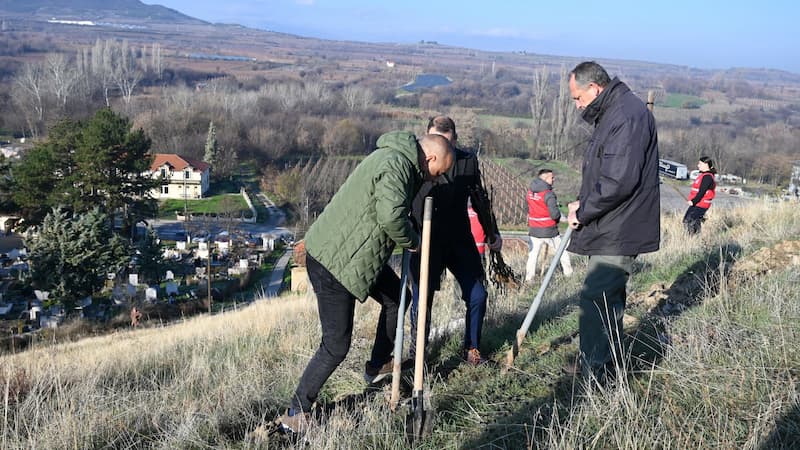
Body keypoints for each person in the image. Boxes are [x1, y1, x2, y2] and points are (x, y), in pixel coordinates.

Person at [277, 131, 454, 434]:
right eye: (439, 173)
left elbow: (385, 206)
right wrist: (413, 241)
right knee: (335, 345)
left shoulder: (399, 161)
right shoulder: (397, 164)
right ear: (432, 158)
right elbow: (389, 216)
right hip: (336, 261)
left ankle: (376, 365)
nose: (437, 180)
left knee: (398, 300)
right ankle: (296, 412)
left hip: (356, 255)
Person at [565, 61, 660, 384]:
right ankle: (607, 365)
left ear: (595, 88)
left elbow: (619, 180)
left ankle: (599, 373)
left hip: (620, 225)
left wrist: (585, 209)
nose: (577, 105)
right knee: (607, 299)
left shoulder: (625, 116)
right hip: (612, 221)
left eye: (578, 97)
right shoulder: (616, 112)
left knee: (597, 297)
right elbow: (608, 174)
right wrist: (584, 202)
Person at [409, 116, 502, 367]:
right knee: (421, 298)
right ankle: (417, 354)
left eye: (446, 143)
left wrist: (492, 233)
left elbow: (479, 197)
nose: (440, 148)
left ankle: (472, 348)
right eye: (434, 140)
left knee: (478, 295)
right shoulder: (413, 161)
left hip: (459, 239)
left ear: (455, 140)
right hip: (424, 241)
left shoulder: (467, 161)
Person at [524, 169, 573, 282]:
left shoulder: (530, 192)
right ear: (545, 178)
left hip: (534, 229)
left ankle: (529, 278)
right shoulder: (548, 194)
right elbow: (555, 214)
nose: (554, 179)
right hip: (549, 230)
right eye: (552, 177)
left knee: (532, 255)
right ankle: (568, 274)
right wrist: (562, 219)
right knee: (562, 251)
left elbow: (528, 208)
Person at [683, 156, 717, 234]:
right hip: (698, 203)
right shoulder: (703, 175)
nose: (698, 165)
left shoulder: (707, 177)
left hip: (701, 204)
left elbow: (702, 192)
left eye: (700, 164)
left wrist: (693, 201)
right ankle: (695, 239)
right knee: (689, 221)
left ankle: (693, 239)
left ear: (706, 164)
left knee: (689, 221)